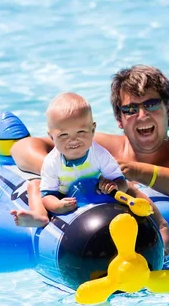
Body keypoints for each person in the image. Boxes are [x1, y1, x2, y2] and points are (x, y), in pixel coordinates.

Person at [11, 65, 169, 254]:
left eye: (151, 104)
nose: (142, 115)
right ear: (119, 119)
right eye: (130, 109)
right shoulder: (105, 147)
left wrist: (136, 171)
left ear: (168, 109)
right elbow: (21, 148)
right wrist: (66, 173)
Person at [10, 92, 128, 227]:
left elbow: (121, 182)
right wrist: (57, 206)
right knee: (34, 185)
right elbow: (47, 195)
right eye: (64, 135)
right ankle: (39, 215)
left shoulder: (100, 154)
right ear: (51, 137)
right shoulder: (52, 162)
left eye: (81, 132)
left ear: (93, 130)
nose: (73, 139)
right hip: (63, 195)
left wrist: (115, 185)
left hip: (94, 192)